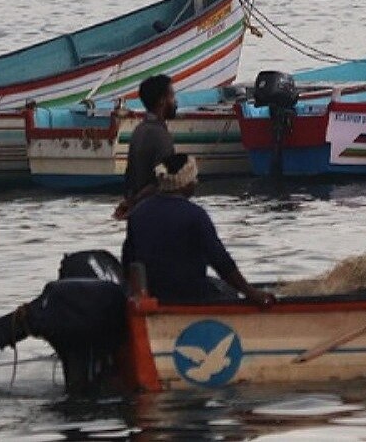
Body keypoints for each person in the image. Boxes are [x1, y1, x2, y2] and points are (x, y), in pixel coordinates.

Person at [122, 153, 276, 305]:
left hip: (152, 293)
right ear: (186, 183)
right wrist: (251, 292)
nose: (196, 182)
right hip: (190, 294)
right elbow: (220, 261)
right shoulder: (195, 215)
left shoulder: (138, 213)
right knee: (228, 291)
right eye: (194, 179)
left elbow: (128, 260)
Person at [116, 73, 177, 217]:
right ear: (162, 101)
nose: (175, 102)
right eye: (172, 97)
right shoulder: (161, 136)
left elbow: (129, 177)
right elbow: (163, 182)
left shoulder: (139, 131)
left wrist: (130, 202)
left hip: (139, 215)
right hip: (155, 214)